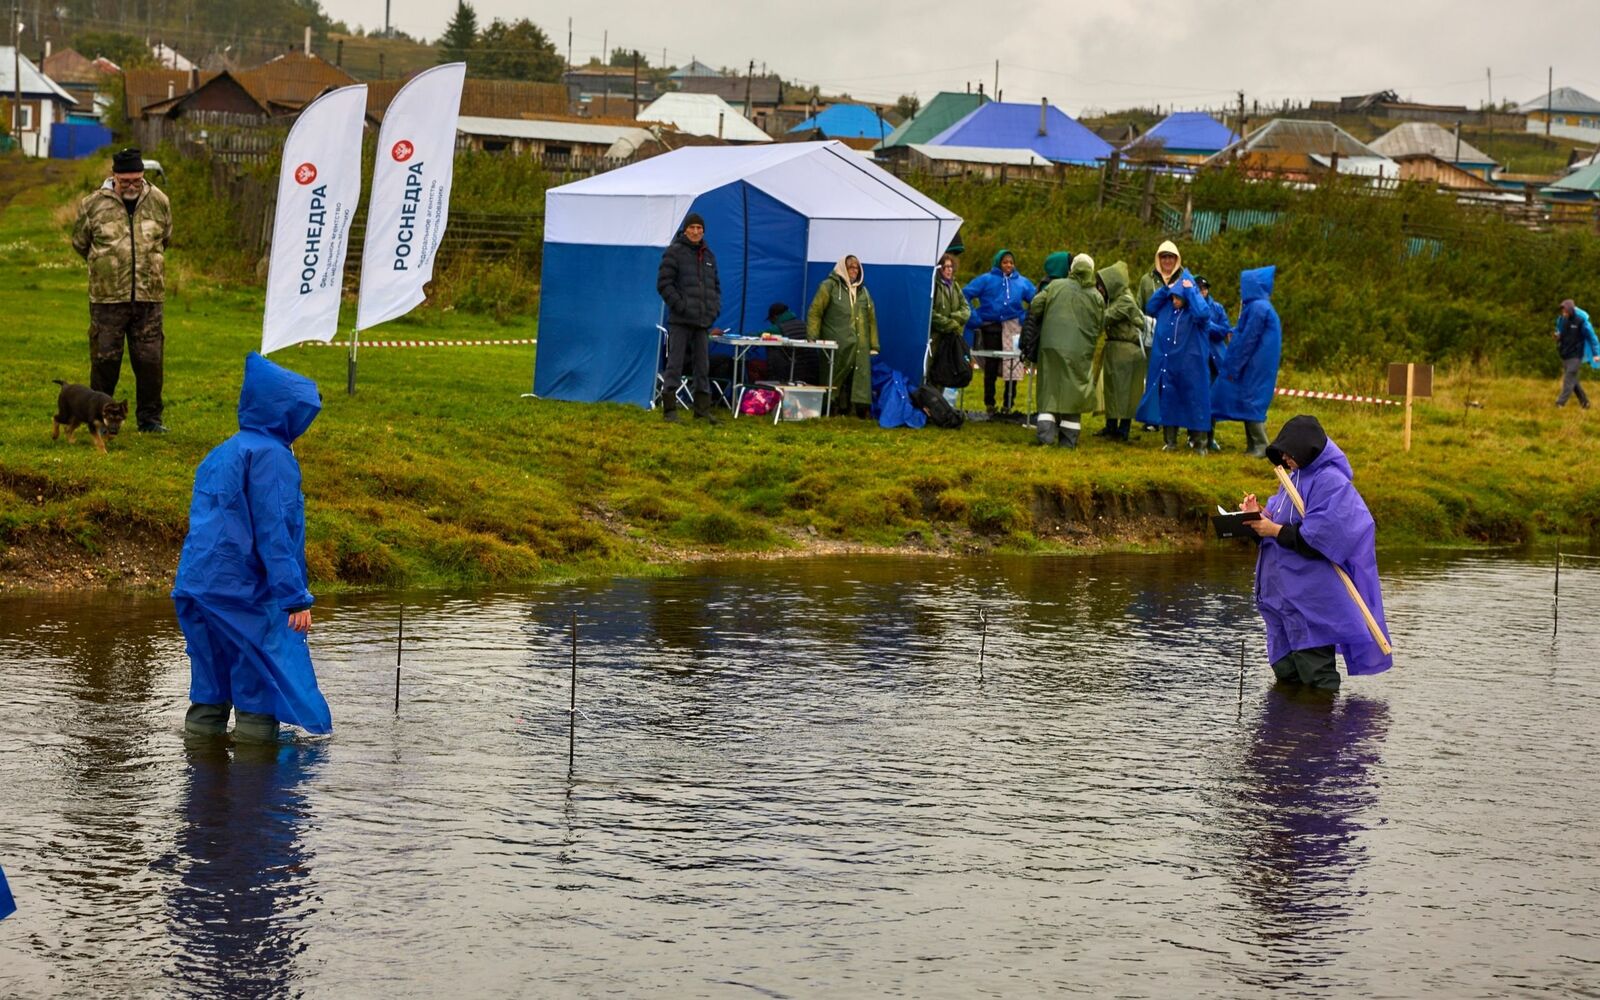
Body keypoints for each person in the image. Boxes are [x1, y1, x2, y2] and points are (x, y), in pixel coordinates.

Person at [172, 353, 332, 741]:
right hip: (243, 592)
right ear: (285, 412)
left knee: (209, 686)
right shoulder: (272, 456)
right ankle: (255, 774)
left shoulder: (221, 452)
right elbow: (275, 532)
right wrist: (294, 598)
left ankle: (201, 772)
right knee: (257, 686)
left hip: (196, 587)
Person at [1241, 415, 1393, 691]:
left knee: (1316, 678)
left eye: (1289, 453)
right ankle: (1291, 720)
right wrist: (1257, 516)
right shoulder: (1292, 479)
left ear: (1305, 448)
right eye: (1282, 454)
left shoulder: (1331, 482)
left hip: (1311, 601)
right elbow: (1279, 522)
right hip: (1282, 599)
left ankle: (1323, 720)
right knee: (1287, 674)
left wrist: (1274, 530)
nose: (1285, 459)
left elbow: (1325, 537)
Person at [71, 146, 173, 434]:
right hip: (107, 299)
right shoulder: (93, 204)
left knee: (150, 361)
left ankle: (150, 420)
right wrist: (106, 266)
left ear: (143, 176)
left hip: (149, 298)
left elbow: (165, 239)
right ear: (113, 176)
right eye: (125, 181)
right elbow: (80, 243)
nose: (131, 186)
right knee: (105, 361)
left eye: (136, 180)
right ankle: (99, 418)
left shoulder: (159, 201)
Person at [1027, 254, 1104, 448]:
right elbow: (1100, 324)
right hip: (1080, 350)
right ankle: (1068, 440)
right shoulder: (1096, 296)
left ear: (1072, 269)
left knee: (1049, 390)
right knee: (1074, 393)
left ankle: (1045, 437)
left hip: (1050, 346)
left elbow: (1036, 305)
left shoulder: (1055, 285)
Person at [1136, 269, 1214, 453]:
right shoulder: (1167, 310)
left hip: (1192, 368)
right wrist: (1166, 289)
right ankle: (1170, 442)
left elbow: (1203, 313)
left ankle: (1200, 444)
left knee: (1195, 403)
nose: (1174, 301)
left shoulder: (1195, 314)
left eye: (1178, 297)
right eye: (1172, 297)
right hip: (1169, 366)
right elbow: (1150, 307)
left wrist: (1191, 291)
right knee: (1169, 402)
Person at [655, 212, 722, 424]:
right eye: (692, 228)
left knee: (703, 367)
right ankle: (669, 411)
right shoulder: (674, 252)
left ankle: (702, 411)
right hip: (681, 320)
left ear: (703, 231)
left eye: (699, 228)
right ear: (685, 230)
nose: (695, 231)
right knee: (674, 365)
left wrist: (714, 310)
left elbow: (715, 287)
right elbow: (664, 284)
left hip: (702, 322)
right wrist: (681, 306)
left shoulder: (709, 256)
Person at [1211, 266, 1281, 456]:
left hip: (1254, 364)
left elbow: (1247, 339)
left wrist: (1233, 366)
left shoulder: (1258, 308)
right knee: (1250, 400)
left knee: (1251, 401)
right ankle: (1253, 445)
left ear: (1252, 285)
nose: (1241, 290)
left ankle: (1261, 445)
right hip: (1259, 364)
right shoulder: (1262, 307)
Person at [963, 248, 1035, 415]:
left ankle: (1008, 405)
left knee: (1013, 363)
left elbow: (1037, 300)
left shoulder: (1022, 282)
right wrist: (974, 317)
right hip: (991, 326)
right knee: (991, 364)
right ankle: (990, 403)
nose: (1008, 265)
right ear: (998, 263)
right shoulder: (986, 279)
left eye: (1011, 262)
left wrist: (1025, 317)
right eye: (1005, 262)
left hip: (1014, 328)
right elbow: (965, 294)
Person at [807, 254, 879, 417]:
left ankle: (857, 410)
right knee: (834, 374)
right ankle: (830, 407)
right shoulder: (828, 286)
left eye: (857, 267)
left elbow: (871, 319)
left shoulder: (864, 291)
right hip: (836, 342)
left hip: (860, 344)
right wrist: (812, 336)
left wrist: (874, 345)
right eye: (851, 267)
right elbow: (815, 311)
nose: (854, 270)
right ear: (842, 268)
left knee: (859, 377)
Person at [1095, 261, 1146, 442]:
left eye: (1101, 285)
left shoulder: (1125, 300)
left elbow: (1105, 318)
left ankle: (1123, 430)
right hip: (1116, 349)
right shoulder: (1116, 299)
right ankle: (1111, 427)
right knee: (1113, 390)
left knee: (1125, 392)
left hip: (1126, 350)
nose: (1099, 289)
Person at [1195, 275, 1234, 452]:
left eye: (1205, 288)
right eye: (1199, 288)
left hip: (1215, 361)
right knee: (1197, 400)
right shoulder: (1189, 308)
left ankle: (1210, 438)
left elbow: (1224, 330)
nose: (1203, 291)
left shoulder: (1217, 308)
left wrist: (1207, 325)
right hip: (1197, 360)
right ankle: (1195, 437)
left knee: (1211, 401)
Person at [927, 253, 972, 404]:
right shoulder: (934, 286)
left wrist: (955, 319)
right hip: (936, 338)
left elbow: (966, 309)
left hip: (951, 338)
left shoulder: (955, 286)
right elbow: (930, 312)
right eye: (945, 266)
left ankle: (941, 405)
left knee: (946, 370)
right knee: (933, 371)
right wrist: (948, 324)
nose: (948, 269)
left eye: (951, 266)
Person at [759, 302, 818, 385]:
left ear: (775, 317)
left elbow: (760, 335)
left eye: (771, 320)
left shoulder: (778, 328)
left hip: (794, 375)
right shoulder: (804, 325)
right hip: (813, 371)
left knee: (773, 350)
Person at [1554, 299, 1598, 409]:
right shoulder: (1563, 320)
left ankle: (1560, 403)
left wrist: (1596, 354)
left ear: (1570, 310)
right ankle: (1585, 403)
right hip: (1565, 354)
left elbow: (1592, 338)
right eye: (1562, 310)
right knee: (1573, 381)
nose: (1563, 312)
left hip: (1576, 355)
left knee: (1568, 378)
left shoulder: (1581, 321)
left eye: (1565, 310)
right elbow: (1562, 334)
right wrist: (1558, 337)